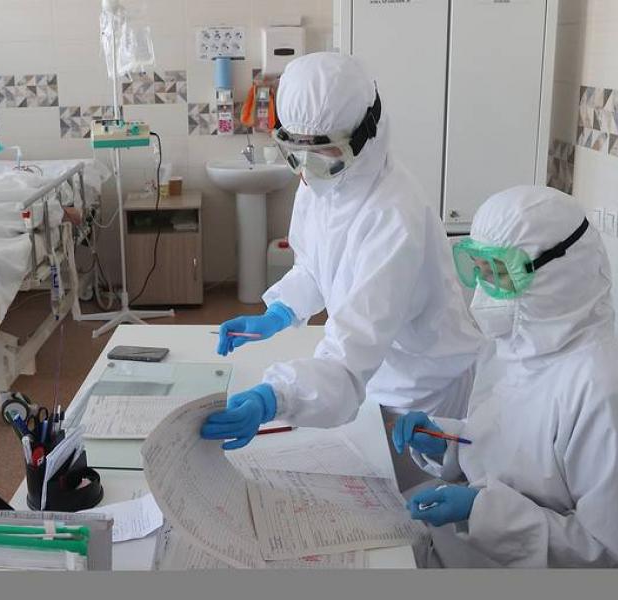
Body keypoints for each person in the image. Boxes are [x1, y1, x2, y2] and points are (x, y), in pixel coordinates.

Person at [200, 52, 482, 489]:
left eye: (323, 153)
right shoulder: (325, 180)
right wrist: (280, 311)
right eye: (296, 151)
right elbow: (317, 266)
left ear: (366, 135)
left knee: (409, 511)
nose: (306, 169)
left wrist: (276, 396)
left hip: (422, 390)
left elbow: (349, 357)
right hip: (376, 378)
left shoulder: (393, 216)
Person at [393, 185, 618, 567]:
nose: (483, 295)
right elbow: (512, 451)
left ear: (558, 274)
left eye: (499, 274)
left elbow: (609, 559)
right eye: (480, 271)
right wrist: (449, 442)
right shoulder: (514, 347)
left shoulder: (607, 392)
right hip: (476, 550)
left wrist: (481, 512)